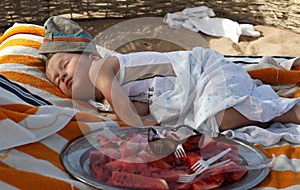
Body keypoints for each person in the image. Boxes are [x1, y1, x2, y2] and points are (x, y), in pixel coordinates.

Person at [39, 16, 300, 136]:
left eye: (65, 65)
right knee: (215, 118)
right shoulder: (106, 99)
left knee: (218, 118)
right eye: (56, 80)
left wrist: (134, 127)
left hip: (201, 71)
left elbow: (125, 109)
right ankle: (270, 103)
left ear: (90, 56)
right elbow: (142, 106)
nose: (62, 77)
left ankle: (285, 112)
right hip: (193, 92)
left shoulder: (102, 69)